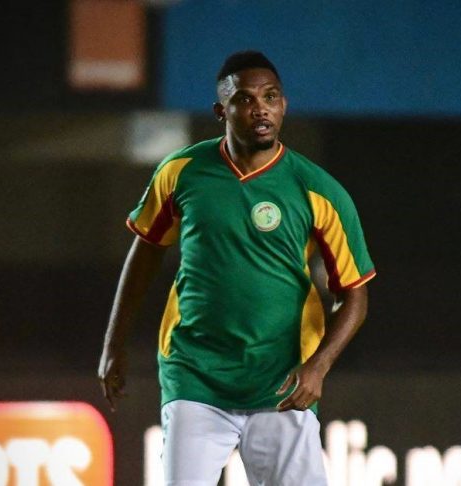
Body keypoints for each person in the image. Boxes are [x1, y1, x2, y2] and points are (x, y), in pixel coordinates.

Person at [98, 51, 375, 485]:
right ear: (220, 111)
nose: (260, 108)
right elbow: (146, 251)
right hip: (195, 377)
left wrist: (318, 367)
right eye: (245, 99)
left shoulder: (319, 190)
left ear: (283, 105)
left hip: (281, 383)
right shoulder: (181, 172)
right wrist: (114, 343)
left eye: (271, 97)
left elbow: (355, 295)